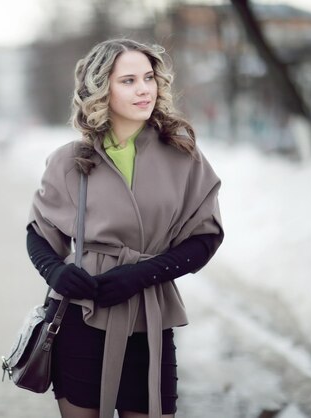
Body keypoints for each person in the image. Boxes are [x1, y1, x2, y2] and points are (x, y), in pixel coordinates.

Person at [26, 39, 224, 418]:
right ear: (102, 89)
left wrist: (143, 274)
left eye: (149, 78)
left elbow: (205, 237)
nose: (144, 89)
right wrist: (57, 273)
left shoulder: (182, 155)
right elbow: (38, 232)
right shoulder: (70, 159)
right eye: (129, 80)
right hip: (81, 315)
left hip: (149, 318)